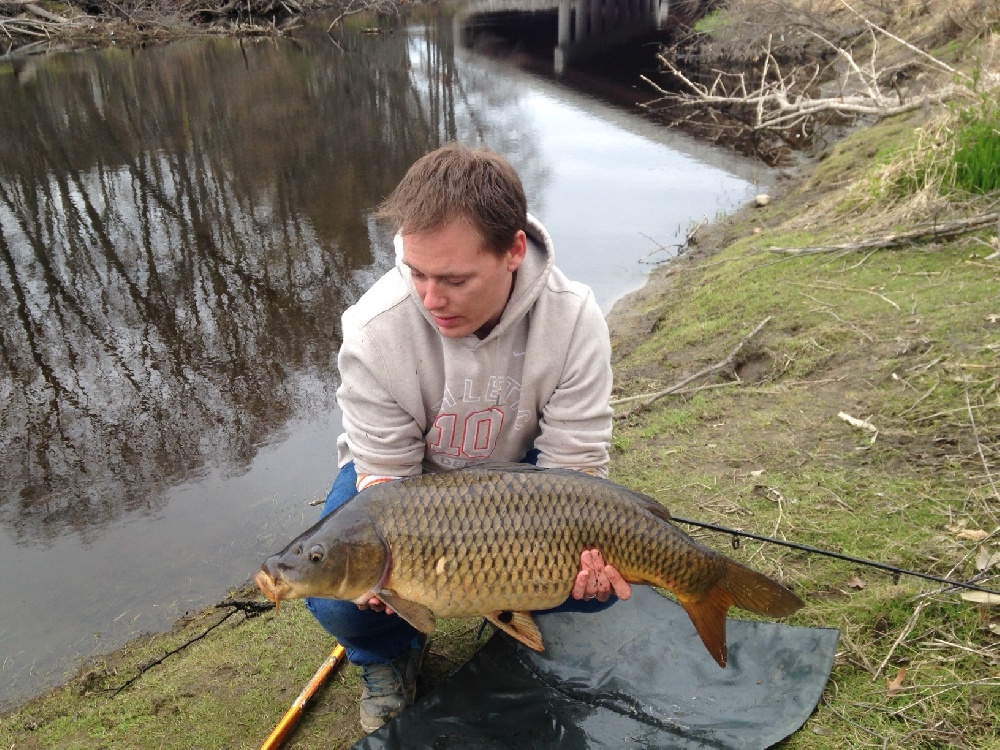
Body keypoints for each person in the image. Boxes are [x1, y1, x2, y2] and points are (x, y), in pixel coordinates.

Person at [305, 142, 632, 733]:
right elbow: (384, 482)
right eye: (417, 273)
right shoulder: (373, 330)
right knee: (336, 594)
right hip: (411, 489)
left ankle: (507, 612)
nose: (431, 300)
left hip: (527, 482)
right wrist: (385, 574)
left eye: (454, 279)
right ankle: (388, 656)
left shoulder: (573, 317)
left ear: (512, 252)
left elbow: (574, 472)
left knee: (599, 582)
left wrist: (543, 559)